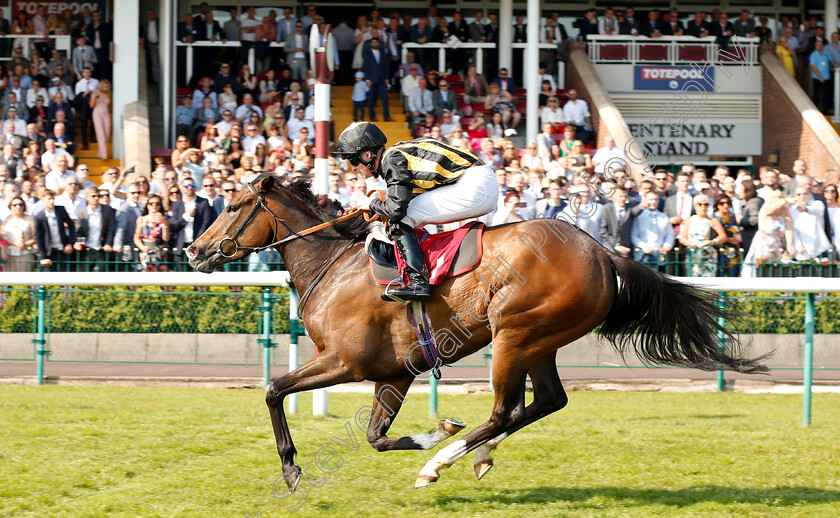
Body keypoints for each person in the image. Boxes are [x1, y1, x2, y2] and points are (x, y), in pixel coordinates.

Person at [333, 122, 498, 300]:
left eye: (353, 160)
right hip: (480, 182)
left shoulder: (391, 159)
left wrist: (370, 204)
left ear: (366, 155)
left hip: (476, 185)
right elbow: (396, 199)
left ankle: (417, 282)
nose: (353, 168)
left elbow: (396, 209)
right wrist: (364, 207)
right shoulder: (394, 156)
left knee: (402, 218)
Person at [74, 186, 116, 271]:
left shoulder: (108, 210)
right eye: (93, 196)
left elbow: (111, 229)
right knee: (87, 277)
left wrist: (108, 243)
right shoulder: (82, 213)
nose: (96, 198)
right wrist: (77, 242)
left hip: (102, 249)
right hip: (87, 249)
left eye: (98, 196)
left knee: (101, 278)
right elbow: (78, 231)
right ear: (87, 197)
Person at [631, 191, 674, 268]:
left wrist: (667, 245)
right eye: (650, 199)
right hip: (642, 255)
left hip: (658, 255)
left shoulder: (664, 217)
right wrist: (643, 246)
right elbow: (633, 234)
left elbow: (669, 233)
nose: (653, 202)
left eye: (656, 199)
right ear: (645, 200)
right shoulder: (639, 217)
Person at [34, 189, 75, 271]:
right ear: (42, 199)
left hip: (63, 250)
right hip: (49, 252)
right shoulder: (39, 216)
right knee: (48, 280)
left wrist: (69, 244)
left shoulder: (60, 210)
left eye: (53, 199)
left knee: (65, 278)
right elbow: (39, 238)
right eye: (49, 199)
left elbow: (71, 226)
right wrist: (43, 257)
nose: (52, 201)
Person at [134, 193, 171, 271]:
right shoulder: (142, 219)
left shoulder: (165, 219)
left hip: (159, 252)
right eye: (151, 203)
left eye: (157, 204)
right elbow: (136, 237)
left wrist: (164, 223)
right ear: (147, 205)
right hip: (146, 251)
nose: (154, 206)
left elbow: (166, 238)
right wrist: (142, 247)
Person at [1, 195, 36, 271]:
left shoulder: (30, 219)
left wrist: (24, 244)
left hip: (26, 253)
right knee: (10, 280)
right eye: (15, 205)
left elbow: (35, 237)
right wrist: (14, 243)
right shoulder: (7, 219)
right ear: (10, 207)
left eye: (20, 204)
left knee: (24, 279)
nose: (18, 207)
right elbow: (2, 236)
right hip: (9, 253)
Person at [89, 78, 110, 159]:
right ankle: (104, 154)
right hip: (97, 113)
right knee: (100, 133)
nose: (105, 88)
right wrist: (94, 97)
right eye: (104, 87)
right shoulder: (96, 93)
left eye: (107, 87)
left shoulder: (108, 94)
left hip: (106, 113)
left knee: (107, 133)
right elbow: (91, 105)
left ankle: (100, 152)